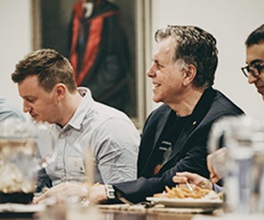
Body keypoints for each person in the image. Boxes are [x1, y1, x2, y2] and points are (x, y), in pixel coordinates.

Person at [34, 25, 244, 204]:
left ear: (188, 74)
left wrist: (102, 190)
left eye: (159, 65)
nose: (149, 72)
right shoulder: (159, 117)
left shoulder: (223, 121)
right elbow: (142, 180)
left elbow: (177, 179)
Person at [174, 18, 264, 203]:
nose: (251, 79)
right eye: (249, 69)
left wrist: (257, 164)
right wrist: (212, 189)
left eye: (258, 68)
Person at [11, 49, 140, 191]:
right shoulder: (42, 130)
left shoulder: (111, 127)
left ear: (59, 92)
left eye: (30, 100)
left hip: (99, 213)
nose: (25, 109)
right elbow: (36, 189)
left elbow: (123, 196)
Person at [69, 0, 132, 114]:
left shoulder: (109, 15)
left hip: (107, 96)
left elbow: (115, 64)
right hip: (84, 94)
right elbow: (73, 51)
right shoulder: (78, 13)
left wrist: (89, 94)